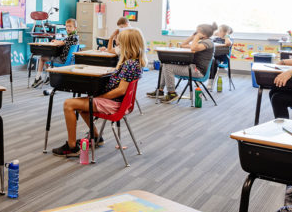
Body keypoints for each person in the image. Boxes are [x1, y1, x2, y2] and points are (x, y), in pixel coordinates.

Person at [53, 28, 146, 157]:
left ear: (127, 44)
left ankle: (72, 146)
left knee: (69, 104)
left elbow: (121, 90)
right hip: (116, 102)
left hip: (114, 104)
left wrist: (100, 97)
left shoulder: (129, 64)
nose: (117, 44)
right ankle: (96, 137)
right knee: (81, 106)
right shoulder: (133, 62)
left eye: (120, 42)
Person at [147, 22, 217, 102]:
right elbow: (182, 45)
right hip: (192, 68)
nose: (196, 33)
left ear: (203, 34)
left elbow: (193, 48)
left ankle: (172, 94)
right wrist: (192, 37)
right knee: (165, 64)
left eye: (197, 32)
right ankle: (160, 90)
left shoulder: (208, 42)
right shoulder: (201, 42)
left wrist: (196, 37)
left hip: (197, 71)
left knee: (168, 67)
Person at [31, 18, 79, 88]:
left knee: (42, 58)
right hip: (69, 60)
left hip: (63, 60)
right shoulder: (76, 37)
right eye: (66, 26)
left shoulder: (72, 37)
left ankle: (38, 78)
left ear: (75, 28)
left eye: (70, 26)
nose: (67, 28)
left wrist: (55, 41)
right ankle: (49, 77)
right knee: (48, 57)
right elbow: (64, 42)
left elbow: (62, 42)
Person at [207, 24, 233, 90]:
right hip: (210, 57)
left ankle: (210, 81)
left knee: (213, 61)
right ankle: (199, 79)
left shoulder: (228, 39)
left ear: (225, 32)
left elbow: (228, 44)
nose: (218, 32)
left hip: (222, 59)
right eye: (218, 30)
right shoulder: (215, 38)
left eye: (220, 31)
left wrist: (227, 35)